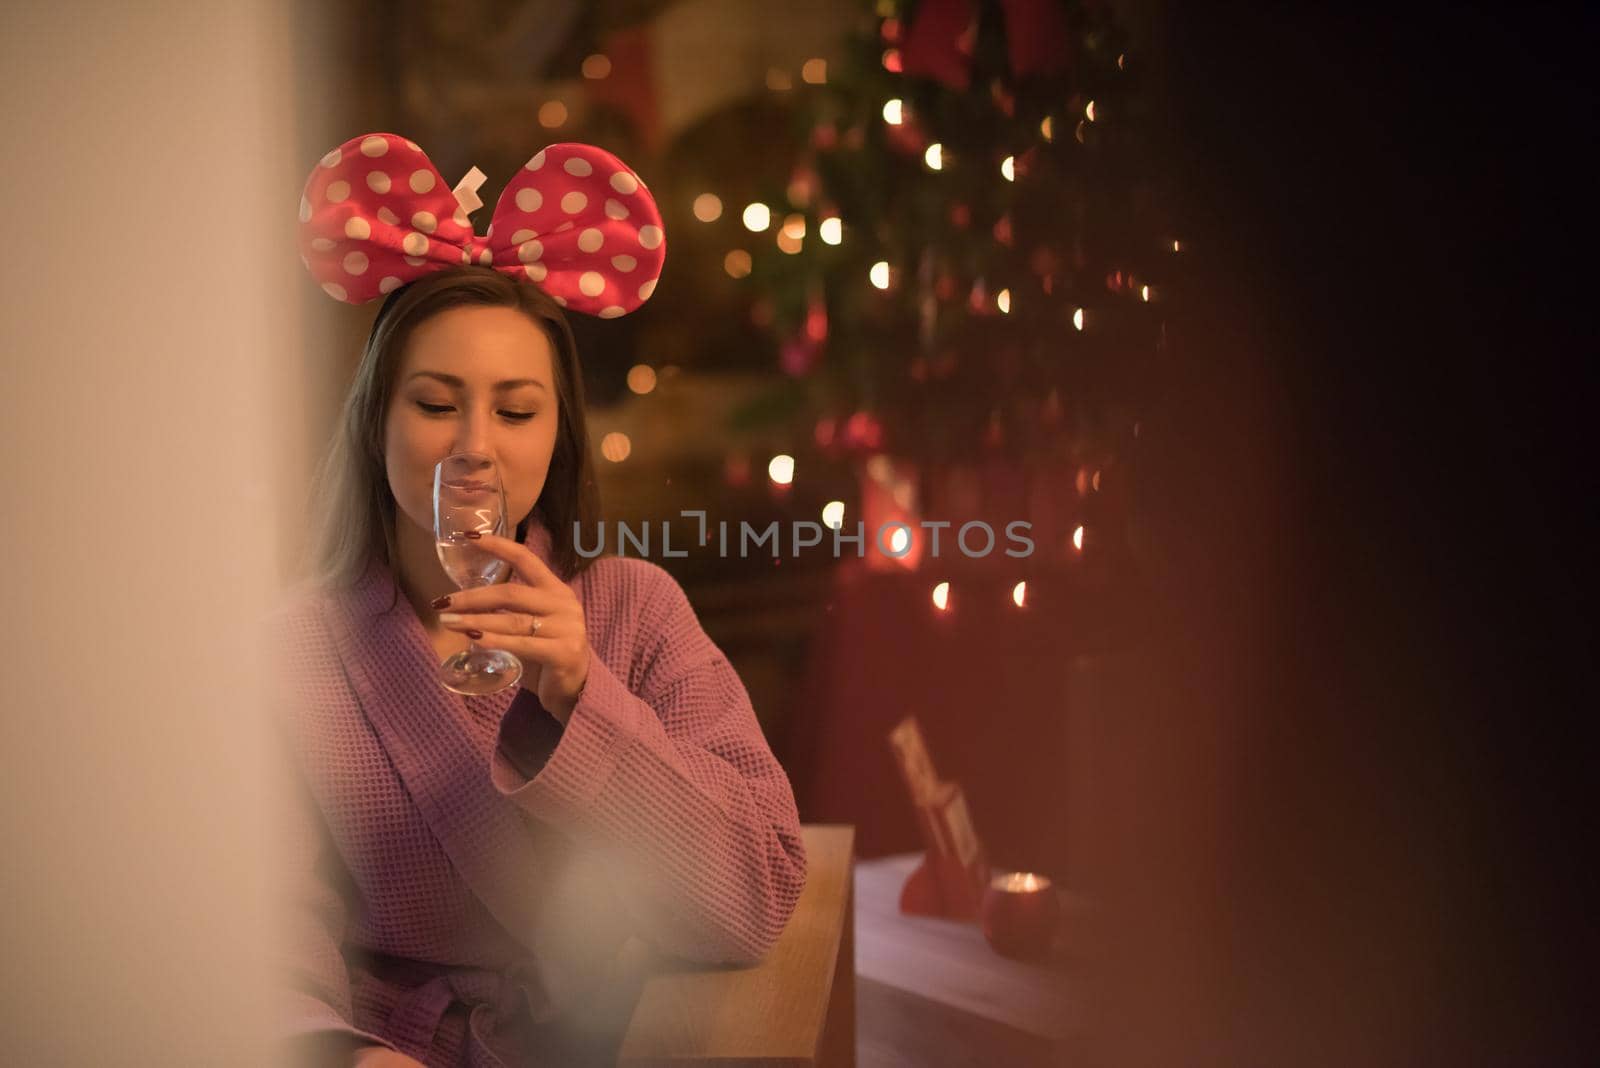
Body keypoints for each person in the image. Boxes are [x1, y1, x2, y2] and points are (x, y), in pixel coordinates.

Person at [270, 134, 808, 1067]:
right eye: (436, 404)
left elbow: (757, 895)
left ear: (559, 436)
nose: (476, 445)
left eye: (516, 411)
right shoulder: (292, 653)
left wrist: (579, 697)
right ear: (375, 421)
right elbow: (252, 922)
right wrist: (336, 1051)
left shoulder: (638, 609)